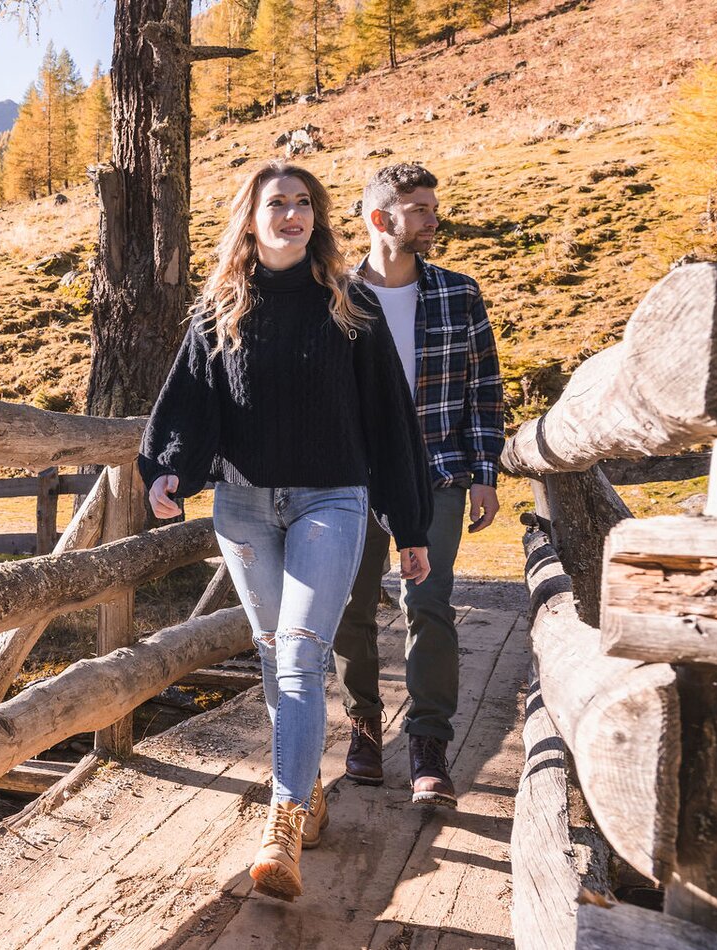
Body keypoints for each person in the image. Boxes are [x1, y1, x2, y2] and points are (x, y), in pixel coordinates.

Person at [139, 160, 433, 902]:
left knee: (300, 657)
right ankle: (309, 789)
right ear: (251, 217)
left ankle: (283, 821)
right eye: (278, 203)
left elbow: (389, 424)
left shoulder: (350, 307)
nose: (292, 214)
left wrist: (409, 524)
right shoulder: (220, 310)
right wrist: (168, 472)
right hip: (241, 509)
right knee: (275, 659)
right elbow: (186, 409)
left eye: (304, 203)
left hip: (330, 503)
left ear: (319, 219)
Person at [333, 163, 504, 810]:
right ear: (382, 220)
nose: (435, 219)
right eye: (421, 210)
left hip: (437, 474)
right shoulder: (335, 299)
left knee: (427, 604)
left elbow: (485, 389)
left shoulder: (460, 295)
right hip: (352, 484)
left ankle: (428, 745)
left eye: (435, 207)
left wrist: (484, 473)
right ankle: (363, 727)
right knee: (350, 609)